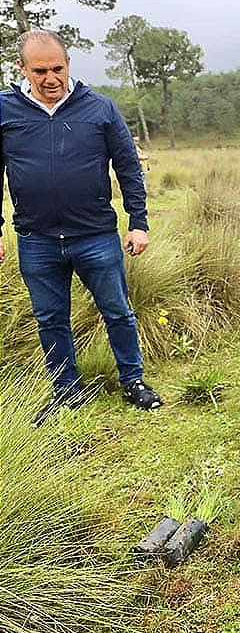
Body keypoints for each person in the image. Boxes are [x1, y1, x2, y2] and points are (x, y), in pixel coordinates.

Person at [0, 29, 163, 425]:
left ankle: (133, 380)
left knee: (118, 311)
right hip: (36, 240)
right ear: (22, 68)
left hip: (96, 237)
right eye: (40, 70)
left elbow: (128, 168)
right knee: (50, 318)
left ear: (69, 64)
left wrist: (138, 224)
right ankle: (66, 391)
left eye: (57, 67)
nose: (50, 78)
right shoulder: (5, 110)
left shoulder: (100, 109)